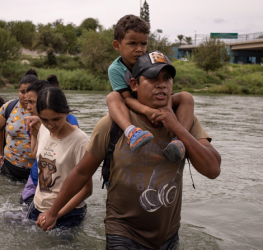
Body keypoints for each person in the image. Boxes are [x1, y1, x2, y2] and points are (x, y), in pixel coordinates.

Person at [37, 51, 221, 249]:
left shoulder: (186, 121)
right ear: (134, 85)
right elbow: (82, 172)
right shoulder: (113, 125)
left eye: (167, 78)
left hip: (168, 234)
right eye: (152, 78)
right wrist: (53, 212)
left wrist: (177, 128)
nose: (162, 84)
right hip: (123, 232)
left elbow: (212, 170)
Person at [106, 15, 195, 162]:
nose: (139, 49)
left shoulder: (150, 60)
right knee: (112, 97)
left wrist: (165, 111)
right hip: (134, 103)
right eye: (132, 44)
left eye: (143, 44)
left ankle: (180, 141)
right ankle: (131, 132)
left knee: (186, 97)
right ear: (117, 45)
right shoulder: (115, 69)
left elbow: (165, 89)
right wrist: (149, 112)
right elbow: (127, 98)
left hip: (156, 99)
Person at [27, 87, 92, 228]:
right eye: (45, 119)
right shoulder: (43, 129)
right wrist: (34, 131)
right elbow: (37, 156)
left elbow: (87, 189)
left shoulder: (80, 141)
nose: (51, 125)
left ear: (66, 112)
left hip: (67, 213)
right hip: (38, 207)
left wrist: (55, 214)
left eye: (56, 119)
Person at [20, 75, 79, 205]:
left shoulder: (66, 121)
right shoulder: (34, 121)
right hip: (36, 179)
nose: (28, 106)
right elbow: (35, 154)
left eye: (31, 102)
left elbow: (72, 138)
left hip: (55, 184)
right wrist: (35, 133)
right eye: (27, 102)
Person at [0, 69, 38, 182]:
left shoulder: (45, 109)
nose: (25, 96)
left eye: (29, 92)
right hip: (10, 166)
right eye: (22, 92)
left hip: (37, 170)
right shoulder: (8, 107)